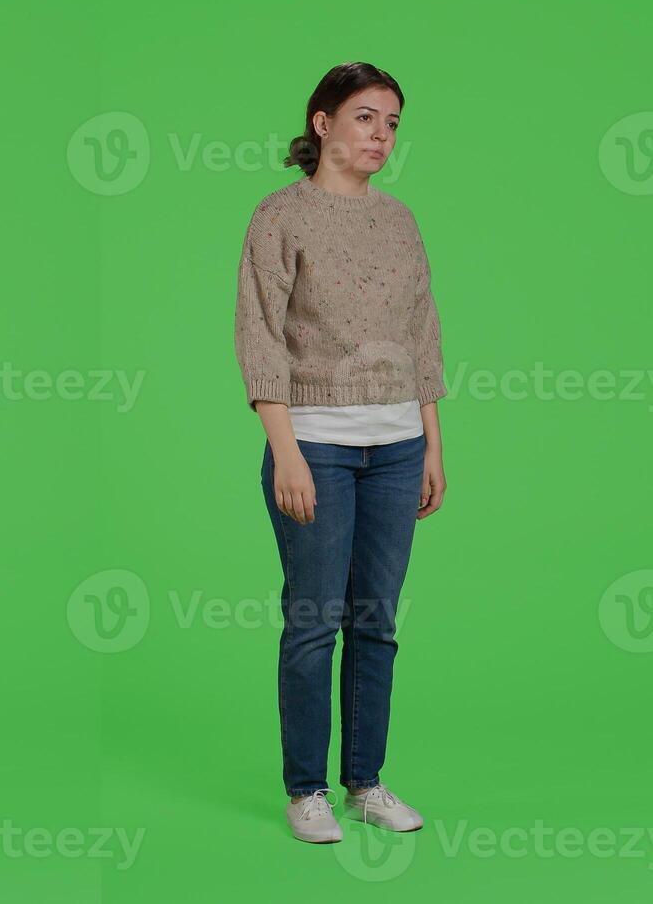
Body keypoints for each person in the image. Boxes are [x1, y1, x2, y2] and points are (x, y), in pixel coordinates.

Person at [234, 61, 448, 844]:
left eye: (392, 123)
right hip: (316, 444)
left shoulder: (400, 221)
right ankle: (305, 789)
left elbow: (423, 332)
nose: (380, 136)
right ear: (321, 122)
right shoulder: (279, 216)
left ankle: (366, 780)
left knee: (377, 620)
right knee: (314, 619)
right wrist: (285, 450)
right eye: (364, 118)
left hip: (397, 448)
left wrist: (431, 442)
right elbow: (260, 335)